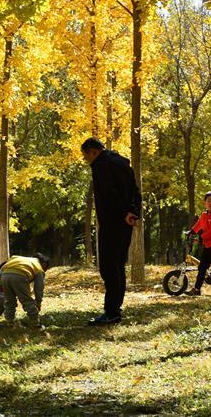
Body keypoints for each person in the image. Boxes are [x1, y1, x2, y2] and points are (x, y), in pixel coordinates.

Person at [81, 137, 141, 325]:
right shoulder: (121, 162)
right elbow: (135, 191)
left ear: (93, 152)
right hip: (125, 221)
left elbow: (109, 194)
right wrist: (133, 212)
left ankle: (112, 311)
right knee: (118, 265)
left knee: (109, 266)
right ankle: (116, 307)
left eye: (86, 157)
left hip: (112, 221)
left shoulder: (102, 165)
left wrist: (123, 212)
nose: (87, 161)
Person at [187, 191, 211, 296]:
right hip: (207, 244)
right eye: (208, 201)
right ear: (205, 202)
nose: (210, 203)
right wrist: (192, 232)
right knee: (202, 267)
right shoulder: (204, 214)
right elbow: (199, 224)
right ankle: (196, 289)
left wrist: (201, 238)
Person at [0, 254, 50, 325]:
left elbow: (2, 268)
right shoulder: (38, 267)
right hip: (20, 276)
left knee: (9, 301)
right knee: (27, 301)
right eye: (45, 268)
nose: (44, 270)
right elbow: (39, 288)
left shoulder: (15, 258)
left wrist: (0, 281)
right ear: (44, 264)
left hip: (4, 276)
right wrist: (38, 303)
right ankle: (35, 323)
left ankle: (9, 322)